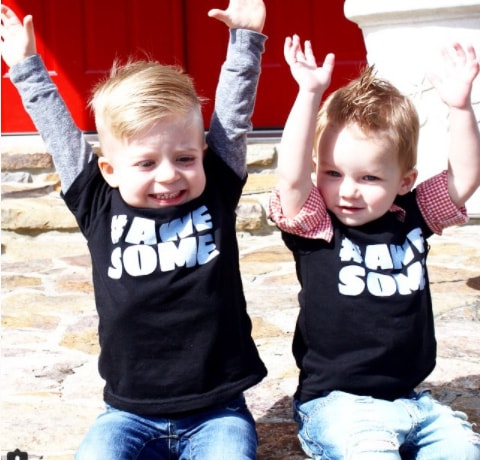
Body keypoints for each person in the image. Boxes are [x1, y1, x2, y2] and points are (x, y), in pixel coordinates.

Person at [1, 1, 268, 458]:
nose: (168, 175)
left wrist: (245, 43)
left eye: (185, 158)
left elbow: (234, 118)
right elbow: (59, 133)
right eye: (146, 163)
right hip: (128, 415)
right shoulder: (96, 201)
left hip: (218, 411)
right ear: (109, 169)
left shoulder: (216, 188)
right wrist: (27, 67)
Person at [269, 34, 480, 459]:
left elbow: (465, 180)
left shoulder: (414, 215)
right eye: (332, 173)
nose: (347, 191)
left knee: (462, 450)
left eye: (369, 178)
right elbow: (291, 180)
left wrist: (459, 109)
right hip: (337, 403)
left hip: (410, 401)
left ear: (404, 181)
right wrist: (309, 94)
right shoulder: (317, 224)